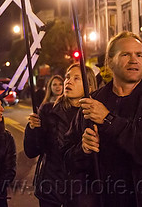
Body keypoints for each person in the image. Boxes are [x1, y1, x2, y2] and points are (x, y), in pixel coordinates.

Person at [64, 31, 142, 206]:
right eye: (126, 54)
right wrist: (83, 149)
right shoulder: (91, 102)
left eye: (139, 55)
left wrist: (109, 120)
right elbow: (67, 157)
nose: (134, 60)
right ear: (109, 61)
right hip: (101, 199)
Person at [24, 63, 97, 207]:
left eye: (77, 78)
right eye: (67, 77)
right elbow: (32, 151)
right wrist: (32, 129)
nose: (69, 81)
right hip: (51, 190)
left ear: (89, 86)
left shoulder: (94, 115)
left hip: (82, 194)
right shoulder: (48, 111)